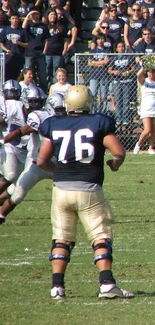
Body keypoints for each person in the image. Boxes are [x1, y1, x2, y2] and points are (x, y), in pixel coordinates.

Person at [37, 85, 134, 300]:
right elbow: (118, 152)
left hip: (61, 190)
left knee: (61, 237)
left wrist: (61, 171)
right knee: (100, 236)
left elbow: (41, 160)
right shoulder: (98, 122)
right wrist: (115, 164)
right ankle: (107, 284)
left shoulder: (54, 124)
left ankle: (57, 287)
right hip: (89, 189)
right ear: (89, 103)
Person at [0, 91, 63, 224]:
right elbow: (22, 131)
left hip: (55, 165)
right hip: (35, 163)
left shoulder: (68, 120)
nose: (62, 113)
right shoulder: (40, 117)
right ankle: (1, 215)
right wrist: (5, 140)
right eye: (59, 109)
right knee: (18, 194)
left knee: (70, 184)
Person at [133, 66, 155, 155]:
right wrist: (144, 66)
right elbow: (138, 75)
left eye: (153, 72)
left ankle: (151, 147)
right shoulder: (144, 81)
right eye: (150, 72)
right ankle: (138, 145)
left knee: (153, 129)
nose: (151, 74)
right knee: (147, 129)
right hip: (146, 107)